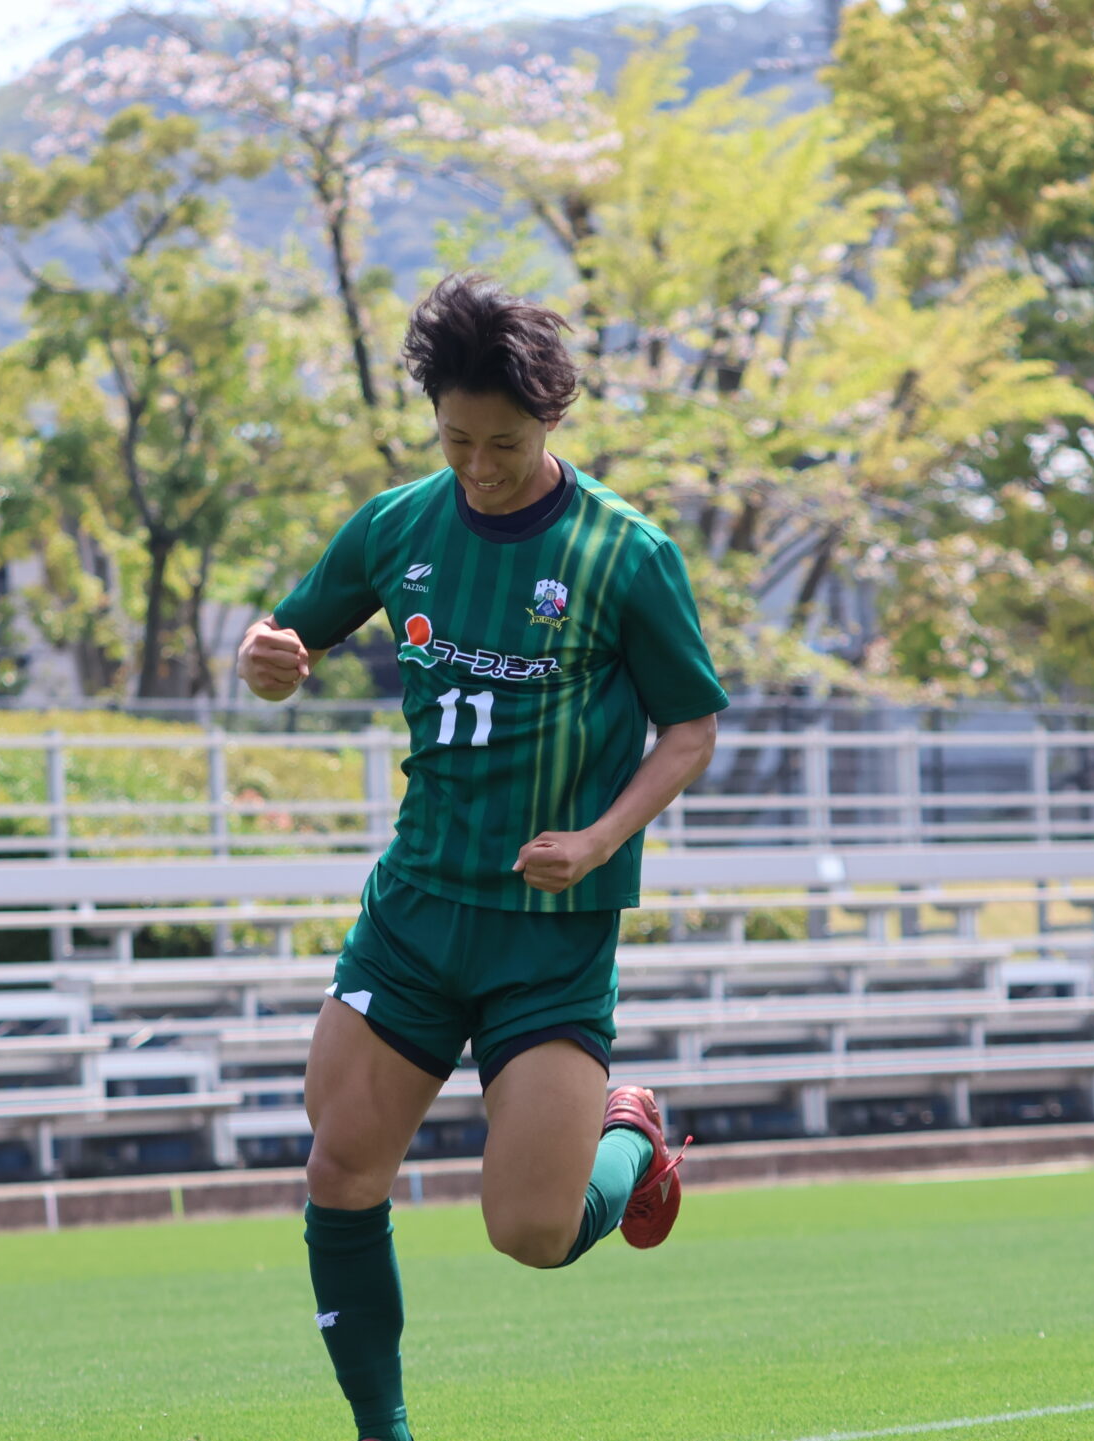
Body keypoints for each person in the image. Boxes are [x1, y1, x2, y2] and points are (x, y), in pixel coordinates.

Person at [236, 273, 727, 1441]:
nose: (479, 465)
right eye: (457, 439)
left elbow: (691, 730)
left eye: (503, 443)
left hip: (548, 936)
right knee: (341, 1168)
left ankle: (632, 1136)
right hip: (414, 911)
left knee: (533, 1234)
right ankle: (385, 1430)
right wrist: (268, 656)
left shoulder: (624, 553)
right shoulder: (397, 525)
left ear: (549, 420)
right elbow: (288, 640)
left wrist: (599, 839)